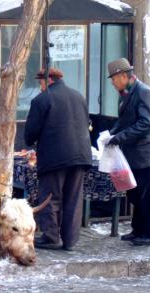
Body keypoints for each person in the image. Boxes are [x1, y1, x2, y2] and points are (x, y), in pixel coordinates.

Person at [24, 68, 92, 251]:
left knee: (50, 197)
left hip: (54, 157)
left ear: (48, 81)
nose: (40, 87)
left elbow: (30, 134)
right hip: (80, 155)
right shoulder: (79, 97)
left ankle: (51, 237)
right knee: (73, 198)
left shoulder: (42, 99)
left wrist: (31, 141)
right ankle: (70, 241)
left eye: (41, 82)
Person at [107, 58, 150, 246]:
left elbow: (146, 123)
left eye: (114, 79)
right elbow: (123, 122)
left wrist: (120, 137)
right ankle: (138, 229)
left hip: (147, 155)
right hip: (133, 156)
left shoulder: (144, 92)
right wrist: (111, 134)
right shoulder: (125, 94)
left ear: (124, 75)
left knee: (149, 196)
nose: (112, 82)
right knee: (136, 194)